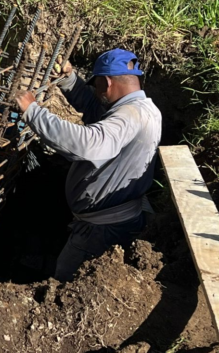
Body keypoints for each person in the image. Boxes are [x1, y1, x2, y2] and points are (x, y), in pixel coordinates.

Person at [14, 48, 162, 281]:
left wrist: (34, 112)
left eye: (97, 85)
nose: (96, 90)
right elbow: (97, 112)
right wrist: (70, 80)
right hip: (112, 219)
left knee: (64, 284)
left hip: (101, 231)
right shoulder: (142, 109)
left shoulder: (129, 116)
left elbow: (87, 144)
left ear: (108, 81)